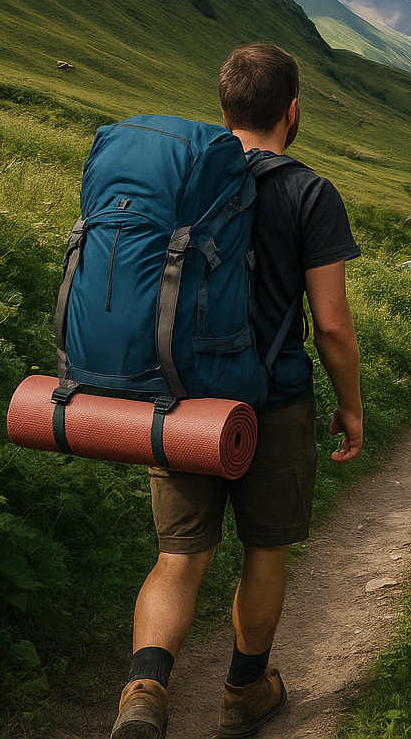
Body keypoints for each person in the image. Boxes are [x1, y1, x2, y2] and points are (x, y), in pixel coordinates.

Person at [110, 43, 363, 739]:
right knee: (264, 551)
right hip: (272, 403)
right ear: (292, 111)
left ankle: (144, 693)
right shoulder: (310, 193)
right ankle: (244, 692)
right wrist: (350, 405)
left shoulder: (187, 179)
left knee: (179, 556)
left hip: (182, 399)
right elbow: (332, 325)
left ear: (224, 110)